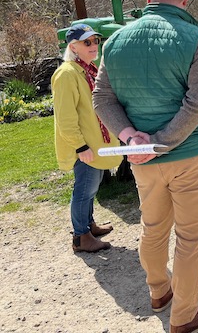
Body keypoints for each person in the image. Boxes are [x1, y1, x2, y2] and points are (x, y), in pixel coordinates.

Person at [93, 0, 198, 333]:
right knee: (191, 239)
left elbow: (101, 96)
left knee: (152, 229)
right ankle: (184, 316)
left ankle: (159, 292)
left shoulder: (115, 42)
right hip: (191, 155)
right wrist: (160, 143)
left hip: (141, 159)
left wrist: (130, 135)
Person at [51, 24, 123, 253]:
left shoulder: (87, 70)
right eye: (87, 42)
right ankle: (81, 237)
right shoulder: (67, 74)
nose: (94, 46)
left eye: (95, 41)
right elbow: (65, 117)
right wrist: (80, 146)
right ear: (73, 46)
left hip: (95, 143)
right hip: (85, 146)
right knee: (84, 189)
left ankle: (88, 225)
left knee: (91, 188)